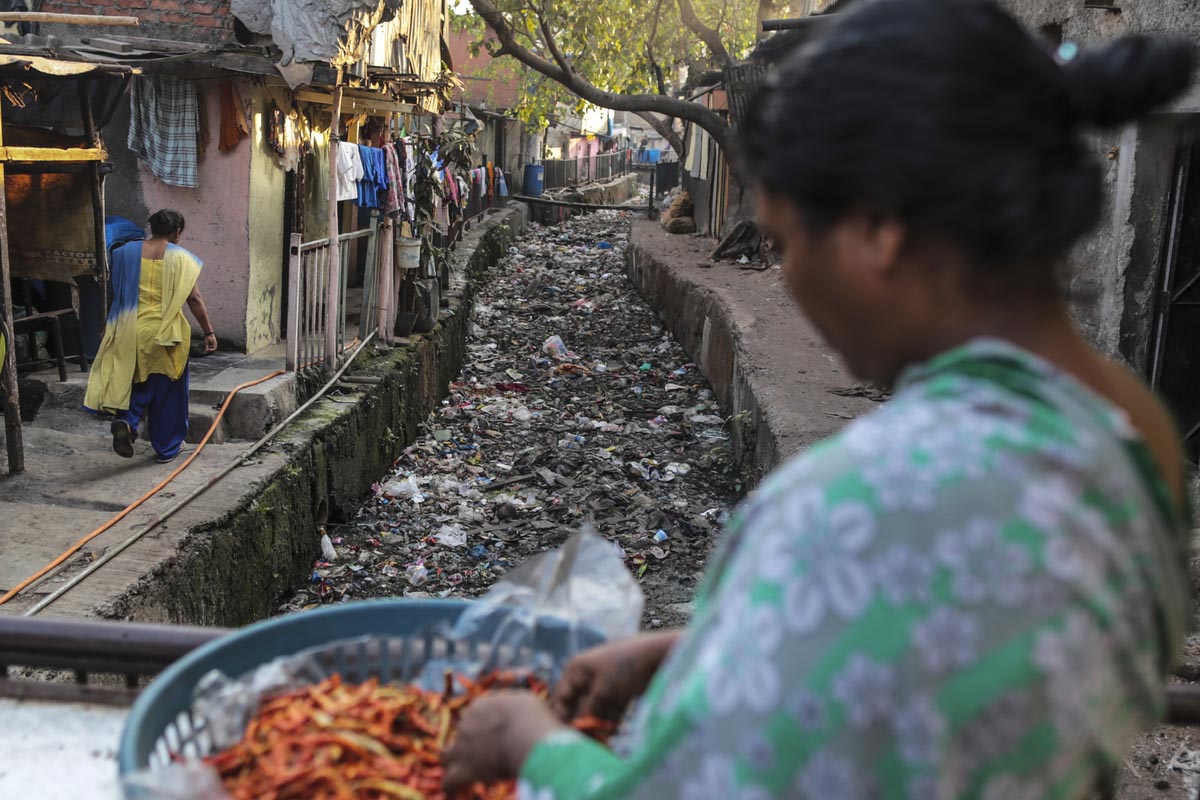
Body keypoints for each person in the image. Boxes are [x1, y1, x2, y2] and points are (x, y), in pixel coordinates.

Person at [442, 1, 1196, 797]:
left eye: (788, 241)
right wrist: (689, 649)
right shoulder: (1132, 435)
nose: (788, 279)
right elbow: (962, 653)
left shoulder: (846, 511)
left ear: (878, 229)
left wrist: (530, 744)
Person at [84, 209, 216, 464]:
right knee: (168, 389)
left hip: (128, 328)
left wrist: (107, 325)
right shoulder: (182, 259)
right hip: (166, 333)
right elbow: (194, 298)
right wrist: (208, 332)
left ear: (151, 228)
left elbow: (115, 292)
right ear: (177, 233)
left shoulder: (123, 253)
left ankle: (128, 419)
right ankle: (167, 447)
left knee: (134, 379)